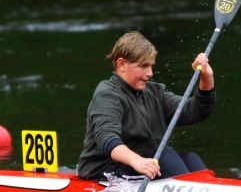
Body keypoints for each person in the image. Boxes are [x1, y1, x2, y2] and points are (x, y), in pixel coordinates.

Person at [78, 31, 216, 181]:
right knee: (165, 156)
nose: (150, 73)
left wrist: (207, 78)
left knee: (191, 159)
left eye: (151, 66)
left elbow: (194, 111)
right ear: (121, 64)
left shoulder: (154, 92)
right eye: (144, 66)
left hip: (144, 164)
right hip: (103, 171)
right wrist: (137, 161)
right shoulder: (107, 95)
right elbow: (108, 139)